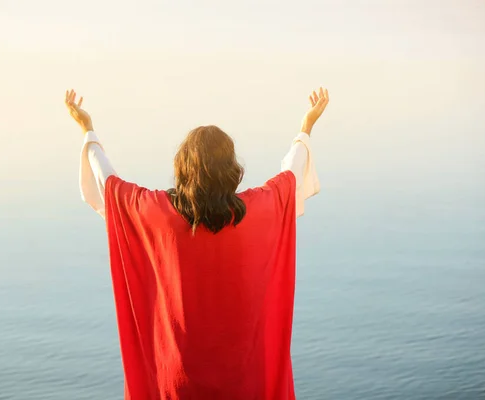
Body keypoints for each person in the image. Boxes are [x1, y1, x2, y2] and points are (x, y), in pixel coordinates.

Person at [65, 87, 329, 399]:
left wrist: (88, 130)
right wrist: (306, 128)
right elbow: (292, 174)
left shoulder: (158, 213)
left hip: (178, 379)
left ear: (183, 168)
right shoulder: (258, 210)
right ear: (231, 169)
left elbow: (107, 182)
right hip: (245, 378)